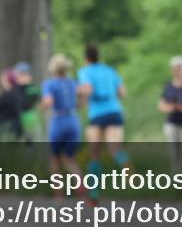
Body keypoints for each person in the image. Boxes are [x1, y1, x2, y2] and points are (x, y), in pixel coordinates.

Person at [77, 43, 129, 206]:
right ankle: (128, 171)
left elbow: (87, 90)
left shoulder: (85, 71)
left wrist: (79, 93)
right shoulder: (110, 70)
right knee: (115, 149)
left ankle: (94, 192)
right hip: (114, 111)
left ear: (86, 58)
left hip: (97, 114)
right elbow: (122, 93)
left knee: (95, 154)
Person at [41, 54, 83, 200]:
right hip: (73, 120)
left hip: (59, 120)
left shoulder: (49, 84)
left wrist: (42, 107)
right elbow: (82, 98)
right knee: (69, 158)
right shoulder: (73, 83)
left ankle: (58, 196)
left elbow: (49, 101)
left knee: (55, 159)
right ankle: (81, 184)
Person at [14, 61, 42, 143]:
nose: (18, 77)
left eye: (21, 75)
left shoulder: (32, 88)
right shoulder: (15, 89)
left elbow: (39, 102)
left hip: (31, 120)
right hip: (19, 121)